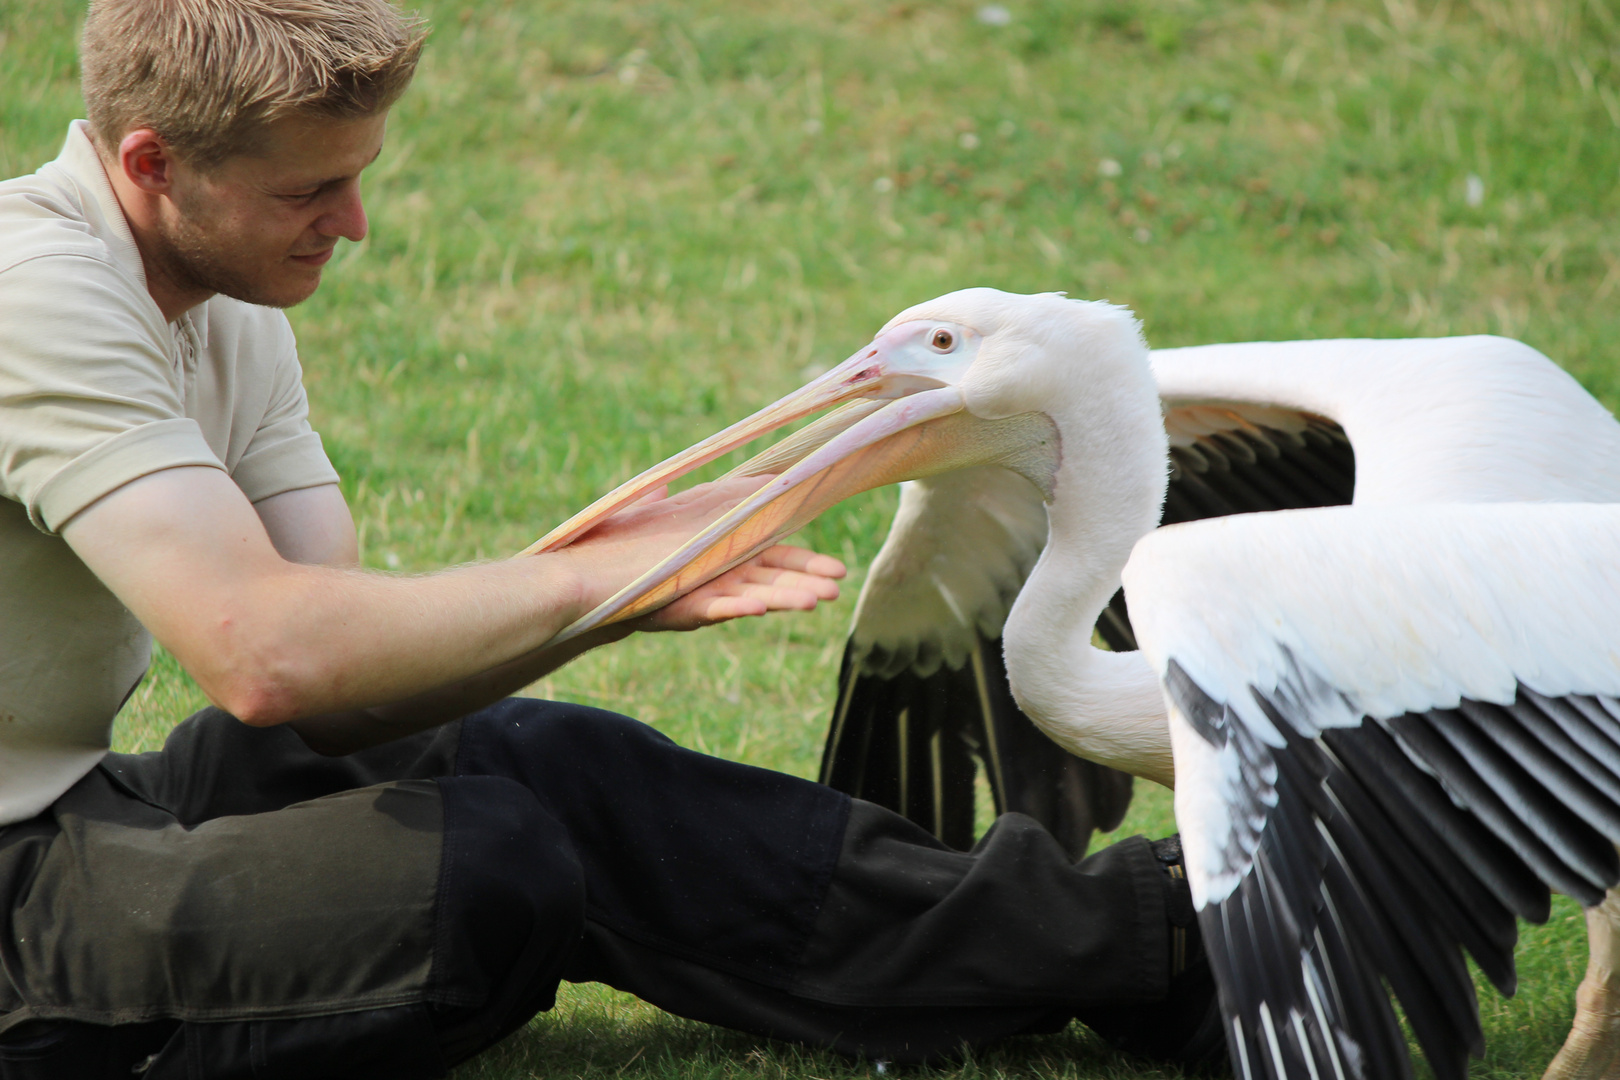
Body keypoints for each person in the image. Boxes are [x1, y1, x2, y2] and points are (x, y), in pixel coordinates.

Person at [0, 0, 1221, 1076]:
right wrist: (591, 575)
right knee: (490, 870)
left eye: (356, 176)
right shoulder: (36, 294)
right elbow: (268, 659)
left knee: (550, 764)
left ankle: (1157, 941)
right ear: (155, 162)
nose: (353, 223)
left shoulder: (222, 290)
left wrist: (625, 589)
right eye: (308, 192)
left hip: (77, 809)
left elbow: (349, 685)